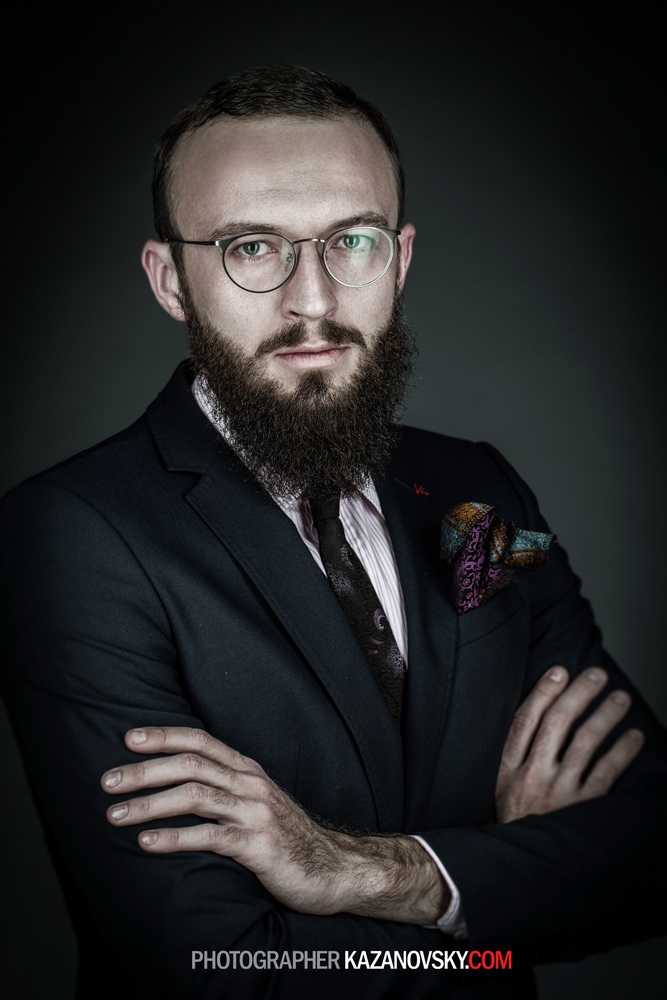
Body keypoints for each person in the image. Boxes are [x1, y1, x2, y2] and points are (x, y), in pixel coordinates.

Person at [1, 65, 665, 1000]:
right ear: (171, 281)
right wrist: (505, 886)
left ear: (397, 258)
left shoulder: (480, 494)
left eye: (349, 240)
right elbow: (223, 972)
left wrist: (366, 873)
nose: (312, 299)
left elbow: (649, 852)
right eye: (252, 248)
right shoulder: (71, 540)